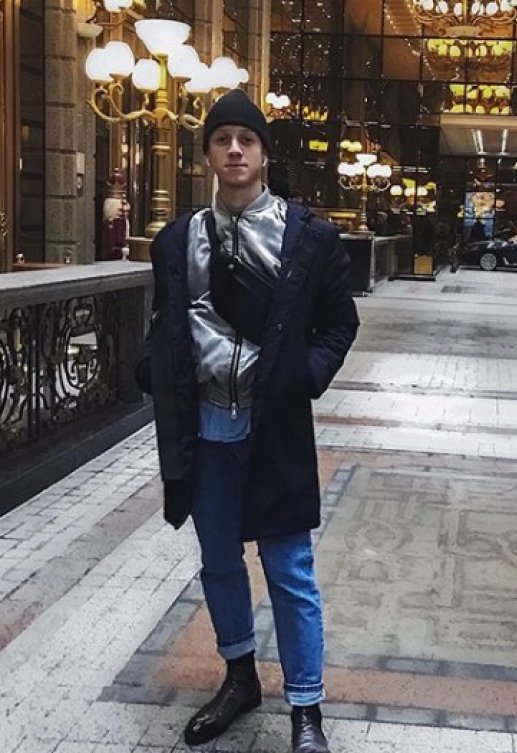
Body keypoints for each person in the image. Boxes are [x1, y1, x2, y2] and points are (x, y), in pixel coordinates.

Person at [135, 88, 359, 752]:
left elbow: (339, 323)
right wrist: (152, 368)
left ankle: (306, 706)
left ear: (263, 154)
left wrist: (304, 375)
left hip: (274, 432)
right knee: (218, 561)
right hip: (204, 429)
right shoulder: (177, 240)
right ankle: (239, 677)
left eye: (247, 140)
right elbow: (165, 321)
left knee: (290, 569)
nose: (235, 150)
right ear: (207, 153)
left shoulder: (307, 237)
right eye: (222, 139)